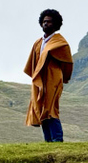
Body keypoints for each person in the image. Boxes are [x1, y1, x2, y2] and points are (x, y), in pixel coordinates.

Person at [24, 8, 73, 142]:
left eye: (49, 22)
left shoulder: (60, 43)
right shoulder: (38, 43)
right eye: (44, 21)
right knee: (41, 108)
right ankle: (48, 141)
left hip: (53, 78)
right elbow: (33, 63)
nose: (46, 24)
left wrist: (63, 78)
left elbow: (67, 62)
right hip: (40, 79)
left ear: (55, 24)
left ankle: (57, 139)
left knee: (51, 108)